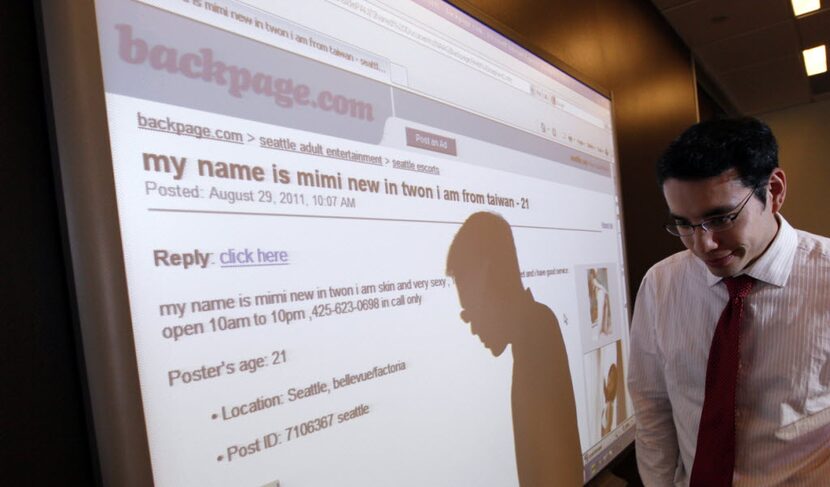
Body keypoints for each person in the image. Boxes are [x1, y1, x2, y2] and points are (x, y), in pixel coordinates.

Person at [628, 117, 830, 486]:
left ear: (774, 190)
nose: (703, 244)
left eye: (720, 218)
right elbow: (652, 405)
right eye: (684, 224)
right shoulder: (662, 283)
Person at [447, 212, 583, 486]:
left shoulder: (536, 334)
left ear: (486, 276)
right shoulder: (538, 323)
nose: (473, 328)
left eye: (470, 312)